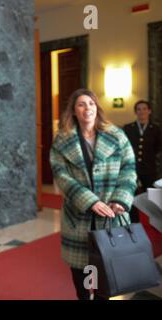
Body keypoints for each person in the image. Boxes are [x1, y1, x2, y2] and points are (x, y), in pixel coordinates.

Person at [49, 89, 137, 300]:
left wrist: (120, 200)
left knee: (102, 280)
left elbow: (129, 169)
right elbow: (61, 175)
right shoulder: (62, 140)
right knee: (81, 278)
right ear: (74, 111)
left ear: (96, 107)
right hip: (77, 218)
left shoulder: (116, 136)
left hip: (110, 216)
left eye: (90, 103)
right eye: (81, 104)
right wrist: (90, 201)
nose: (87, 108)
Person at [123, 100, 162, 222]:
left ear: (149, 111)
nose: (142, 112)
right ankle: (133, 221)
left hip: (149, 169)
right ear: (135, 112)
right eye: (139, 109)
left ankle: (153, 221)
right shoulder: (128, 128)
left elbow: (158, 148)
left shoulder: (156, 129)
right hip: (131, 169)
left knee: (151, 197)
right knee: (131, 195)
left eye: (144, 109)